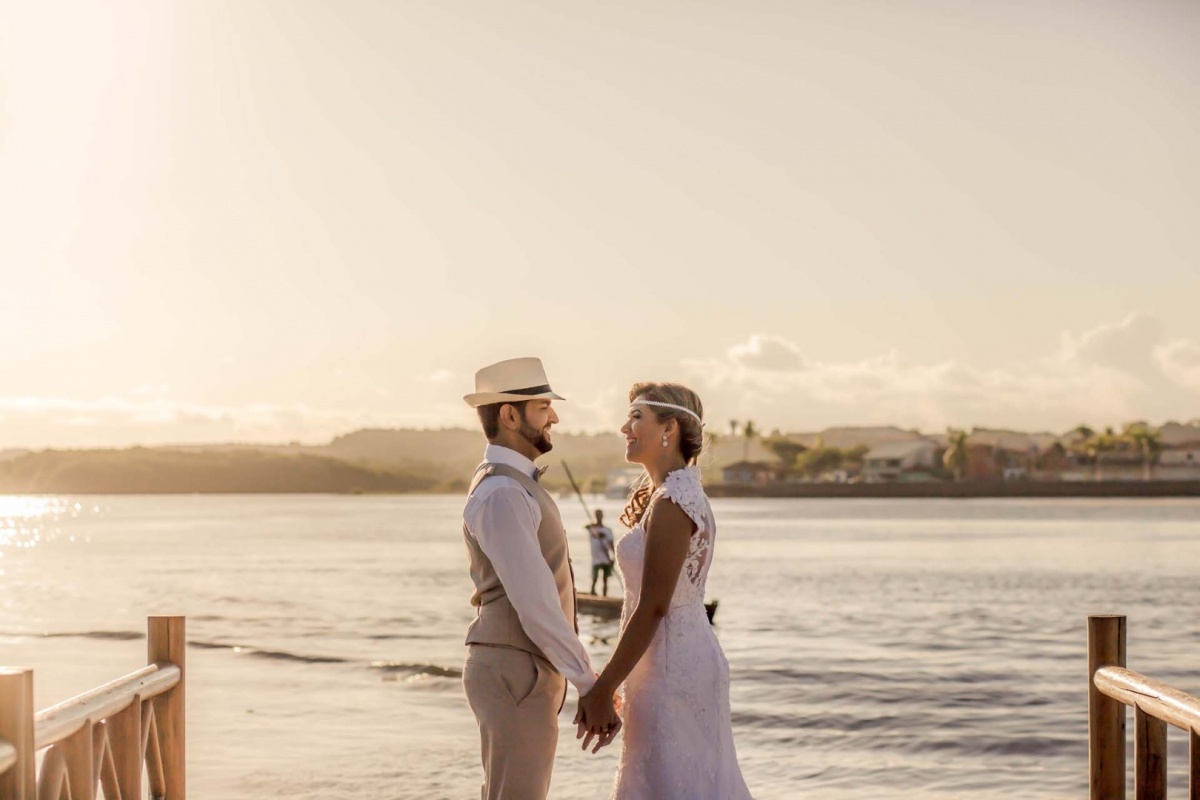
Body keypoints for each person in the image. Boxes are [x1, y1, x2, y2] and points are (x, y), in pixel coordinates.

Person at [575, 382, 754, 799]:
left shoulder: (673, 502)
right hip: (670, 659)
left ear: (668, 429)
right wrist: (618, 678)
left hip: (673, 669)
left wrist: (604, 688)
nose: (625, 427)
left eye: (637, 417)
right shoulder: (676, 494)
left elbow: (654, 607)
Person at [460, 357, 619, 800]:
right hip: (516, 669)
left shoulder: (511, 485)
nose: (555, 417)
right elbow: (536, 604)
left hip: (522, 667)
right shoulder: (503, 492)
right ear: (510, 415)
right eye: (543, 406)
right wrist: (590, 684)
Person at [586, 509, 616, 596]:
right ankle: (592, 593)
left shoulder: (607, 530)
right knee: (594, 578)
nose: (599, 517)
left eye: (600, 515)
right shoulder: (592, 528)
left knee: (605, 579)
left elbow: (611, 544)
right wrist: (596, 531)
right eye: (597, 515)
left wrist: (613, 557)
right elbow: (586, 527)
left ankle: (605, 595)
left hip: (606, 558)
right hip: (596, 558)